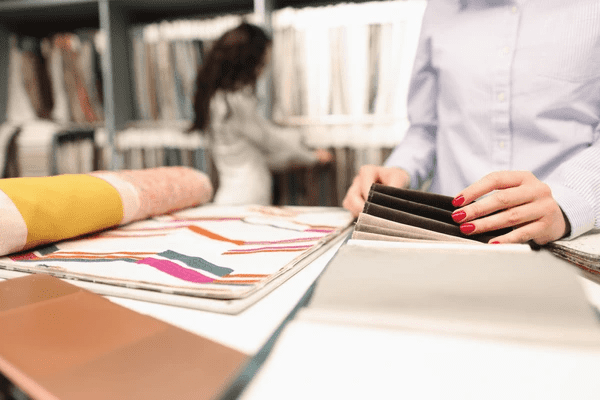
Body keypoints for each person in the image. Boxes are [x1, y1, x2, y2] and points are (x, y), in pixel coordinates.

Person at [343, 0, 600, 245]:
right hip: (446, 233)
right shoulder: (439, 8)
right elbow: (427, 128)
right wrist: (400, 169)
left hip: (559, 240)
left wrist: (568, 201)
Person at [189, 22, 333, 205]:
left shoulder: (216, 99)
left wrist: (302, 156)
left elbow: (256, 154)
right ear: (250, 60)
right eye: (263, 60)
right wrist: (311, 155)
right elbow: (270, 140)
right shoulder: (234, 102)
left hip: (232, 196)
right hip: (247, 197)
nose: (264, 68)